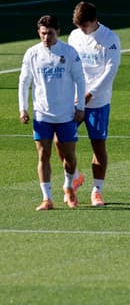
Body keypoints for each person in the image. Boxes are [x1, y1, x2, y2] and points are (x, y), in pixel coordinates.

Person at [19, 15, 86, 210]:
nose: (46, 37)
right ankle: (47, 198)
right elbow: (24, 81)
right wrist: (23, 108)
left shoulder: (69, 52)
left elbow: (80, 79)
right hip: (42, 114)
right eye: (42, 33)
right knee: (43, 154)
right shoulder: (32, 53)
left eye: (49, 33)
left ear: (58, 32)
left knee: (69, 157)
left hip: (66, 114)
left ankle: (69, 186)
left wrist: (80, 107)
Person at [67, 1, 121, 207]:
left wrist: (91, 93)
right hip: (74, 100)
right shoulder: (74, 36)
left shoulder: (109, 38)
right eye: (78, 25)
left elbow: (110, 70)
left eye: (84, 25)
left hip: (97, 101)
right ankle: (76, 176)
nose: (81, 29)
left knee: (98, 145)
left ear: (94, 20)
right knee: (60, 140)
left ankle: (97, 190)